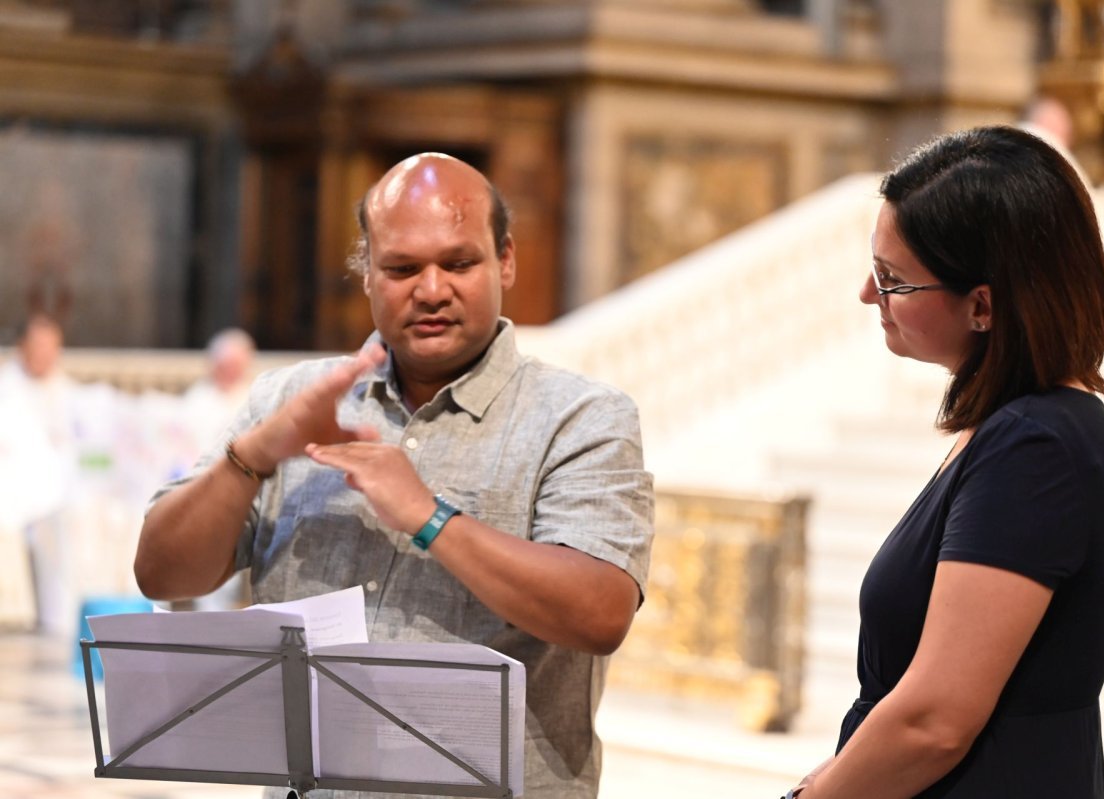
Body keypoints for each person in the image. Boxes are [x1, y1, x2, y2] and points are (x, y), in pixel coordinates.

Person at [134, 153, 655, 798]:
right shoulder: (287, 401)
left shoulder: (581, 417)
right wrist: (254, 455)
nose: (431, 290)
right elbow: (161, 572)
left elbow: (601, 613)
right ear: (367, 275)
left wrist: (428, 516)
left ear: (507, 261)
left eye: (459, 263)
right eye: (402, 268)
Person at [786, 127, 1104, 798]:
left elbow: (934, 720)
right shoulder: (1018, 428)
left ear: (983, 305)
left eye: (892, 280)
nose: (867, 293)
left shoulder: (1038, 448)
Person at [0, 313, 79, 633]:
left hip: (57, 488)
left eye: (52, 346)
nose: (45, 354)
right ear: (22, 347)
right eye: (39, 345)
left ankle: (63, 615)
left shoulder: (67, 390)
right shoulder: (6, 386)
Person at [180, 327, 258, 611]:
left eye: (236, 365)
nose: (230, 371)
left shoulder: (254, 398)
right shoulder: (197, 400)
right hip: (202, 485)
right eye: (225, 365)